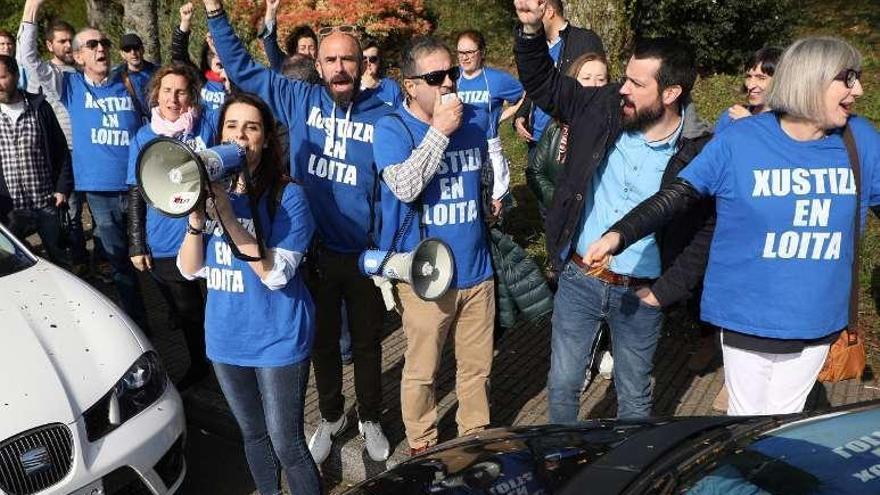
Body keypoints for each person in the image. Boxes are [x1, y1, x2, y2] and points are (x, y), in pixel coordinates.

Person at [585, 36, 878, 417]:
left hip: (817, 317)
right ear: (811, 79)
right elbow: (680, 194)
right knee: (747, 420)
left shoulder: (861, 141)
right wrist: (619, 234)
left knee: (783, 420)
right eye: (848, 78)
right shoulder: (742, 139)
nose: (858, 90)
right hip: (748, 314)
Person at [204, 0, 393, 463]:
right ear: (319, 65)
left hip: (366, 255)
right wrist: (215, 13)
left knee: (368, 346)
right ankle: (331, 416)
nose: (340, 68)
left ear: (362, 62)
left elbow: (396, 189)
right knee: (324, 345)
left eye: (348, 58)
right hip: (315, 253)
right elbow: (244, 71)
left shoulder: (383, 113)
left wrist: (390, 253)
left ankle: (370, 415)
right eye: (330, 60)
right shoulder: (298, 98)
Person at [514, 0, 715, 422]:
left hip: (641, 293)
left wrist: (664, 291)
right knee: (564, 384)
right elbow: (544, 85)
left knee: (634, 395)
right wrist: (531, 32)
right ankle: (560, 461)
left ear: (671, 93)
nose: (623, 88)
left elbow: (704, 234)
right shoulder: (602, 105)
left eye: (637, 84)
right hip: (579, 278)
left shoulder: (698, 152)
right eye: (625, 77)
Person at [177, 92, 321, 495]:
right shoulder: (210, 190)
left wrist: (226, 213)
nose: (240, 136)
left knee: (286, 443)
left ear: (266, 140)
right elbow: (189, 269)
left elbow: (275, 274)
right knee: (253, 435)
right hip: (225, 340)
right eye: (232, 126)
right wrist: (195, 219)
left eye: (252, 127)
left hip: (277, 340)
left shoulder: (288, 196)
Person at [373, 35, 495, 455]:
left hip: (477, 272)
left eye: (453, 74)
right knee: (423, 372)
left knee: (476, 371)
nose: (448, 83)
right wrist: (440, 131)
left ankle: (474, 440)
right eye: (436, 76)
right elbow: (405, 186)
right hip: (428, 277)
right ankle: (422, 445)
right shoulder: (391, 128)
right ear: (410, 84)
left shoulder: (476, 119)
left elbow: (485, 175)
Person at [20, 0, 149, 330]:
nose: (100, 48)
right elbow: (29, 60)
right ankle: (140, 324)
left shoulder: (130, 82)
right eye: (91, 45)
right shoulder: (70, 86)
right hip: (99, 192)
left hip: (140, 186)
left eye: (104, 42)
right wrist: (31, 9)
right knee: (119, 262)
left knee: (154, 254)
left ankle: (178, 308)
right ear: (78, 57)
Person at [127, 63, 216, 390]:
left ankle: (226, 363)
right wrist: (136, 243)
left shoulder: (205, 126)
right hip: (165, 238)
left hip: (210, 235)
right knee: (188, 312)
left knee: (217, 306)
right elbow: (135, 191)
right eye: (167, 90)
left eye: (181, 91)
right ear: (156, 94)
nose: (173, 98)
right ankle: (199, 364)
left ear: (191, 95)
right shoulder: (143, 137)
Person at [15, 18, 84, 272]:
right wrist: (32, 9)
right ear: (49, 44)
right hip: (63, 155)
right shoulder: (45, 72)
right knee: (71, 214)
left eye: (70, 40)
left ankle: (90, 261)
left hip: (88, 153)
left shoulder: (80, 72)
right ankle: (74, 264)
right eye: (62, 41)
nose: (67, 45)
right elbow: (26, 54)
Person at [0, 55, 71, 263]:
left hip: (45, 201)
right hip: (9, 209)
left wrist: (62, 188)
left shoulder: (39, 107)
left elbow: (61, 150)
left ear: (15, 76)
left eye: (2, 77)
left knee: (58, 258)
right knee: (14, 264)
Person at [511, 0, 604, 160]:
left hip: (565, 142)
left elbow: (589, 91)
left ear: (549, 11)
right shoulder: (538, 46)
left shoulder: (583, 40)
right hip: (537, 139)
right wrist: (522, 114)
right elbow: (536, 86)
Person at [525, 51, 608, 211]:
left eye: (601, 79)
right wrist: (560, 203)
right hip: (560, 219)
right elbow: (536, 172)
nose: (594, 85)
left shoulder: (615, 130)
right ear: (572, 82)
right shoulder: (556, 126)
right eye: (586, 78)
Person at [456, 29, 522, 201]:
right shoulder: (452, 79)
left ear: (482, 52)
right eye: (461, 52)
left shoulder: (496, 79)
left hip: (489, 149)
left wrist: (502, 116)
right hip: (458, 149)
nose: (465, 57)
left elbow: (524, 96)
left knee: (494, 203)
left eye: (470, 52)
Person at [174, 2, 229, 111]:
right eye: (212, 54)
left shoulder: (239, 82)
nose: (217, 57)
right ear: (206, 58)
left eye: (220, 53)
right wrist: (185, 23)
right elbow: (179, 57)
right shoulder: (200, 80)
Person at [715, 47, 783, 134]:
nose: (750, 85)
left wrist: (749, 124)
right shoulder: (732, 116)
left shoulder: (790, 122)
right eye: (749, 76)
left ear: (781, 80)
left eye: (761, 78)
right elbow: (716, 146)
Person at [261, 0, 319, 73]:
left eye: (311, 48)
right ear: (294, 50)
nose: (307, 52)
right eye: (303, 48)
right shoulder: (283, 66)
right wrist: (271, 10)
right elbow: (269, 40)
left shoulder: (323, 71)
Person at [113, 33, 158, 110]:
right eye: (127, 50)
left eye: (136, 48)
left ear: (142, 49)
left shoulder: (158, 72)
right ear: (122, 54)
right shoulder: (116, 77)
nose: (133, 52)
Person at [360, 37, 403, 107]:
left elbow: (400, 114)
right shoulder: (351, 87)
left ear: (379, 62)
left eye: (373, 59)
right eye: (363, 58)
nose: (368, 63)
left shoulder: (391, 87)